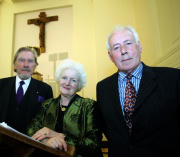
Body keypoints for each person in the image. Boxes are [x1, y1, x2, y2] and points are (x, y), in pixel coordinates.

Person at [96, 25, 180, 157]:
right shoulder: (102, 88)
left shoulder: (173, 78)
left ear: (139, 47)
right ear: (111, 56)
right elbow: (107, 127)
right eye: (116, 47)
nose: (123, 51)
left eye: (128, 43)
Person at [27, 59, 103, 157]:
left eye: (73, 80)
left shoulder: (89, 105)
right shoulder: (47, 104)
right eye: (64, 77)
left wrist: (60, 136)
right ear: (59, 79)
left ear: (78, 84)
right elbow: (31, 129)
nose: (67, 83)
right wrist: (46, 140)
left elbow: (93, 143)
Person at [0, 47, 53, 138]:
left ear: (35, 65)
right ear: (14, 64)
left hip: (32, 145)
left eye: (30, 61)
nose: (26, 65)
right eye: (21, 60)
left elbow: (47, 120)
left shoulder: (45, 89)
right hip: (1, 143)